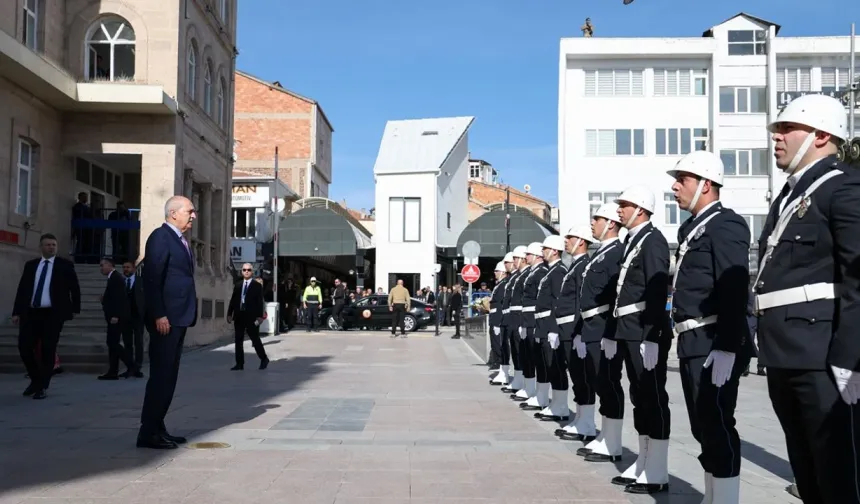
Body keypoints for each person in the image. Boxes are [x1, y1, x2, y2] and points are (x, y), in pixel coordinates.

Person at [755, 93, 860, 504]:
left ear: (819, 135)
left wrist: (850, 360)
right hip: (785, 355)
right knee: (809, 474)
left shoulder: (844, 188)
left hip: (824, 360)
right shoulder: (789, 197)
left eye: (785, 128)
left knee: (839, 477)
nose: (776, 137)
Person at [667, 151, 753, 503]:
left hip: (714, 337)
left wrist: (728, 345)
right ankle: (713, 494)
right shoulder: (691, 228)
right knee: (702, 425)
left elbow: (733, 288)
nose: (674, 187)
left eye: (682, 179)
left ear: (705, 184)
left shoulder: (726, 224)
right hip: (692, 338)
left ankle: (727, 499)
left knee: (717, 423)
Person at [593, 187, 672, 496]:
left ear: (640, 209)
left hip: (643, 331)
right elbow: (620, 294)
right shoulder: (632, 242)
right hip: (627, 329)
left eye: (625, 205)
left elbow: (656, 290)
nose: (620, 211)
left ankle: (657, 469)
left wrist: (653, 335)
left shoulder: (653, 240)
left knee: (653, 398)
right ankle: (644, 461)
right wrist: (613, 333)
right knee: (640, 398)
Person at [137, 195, 197, 450]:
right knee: (161, 376)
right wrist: (159, 314)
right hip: (166, 319)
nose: (193, 216)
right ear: (174, 213)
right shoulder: (161, 237)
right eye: (189, 211)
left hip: (178, 317)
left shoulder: (180, 240)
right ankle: (148, 433)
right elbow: (152, 279)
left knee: (169, 376)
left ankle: (158, 427)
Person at [565, 204, 623, 445]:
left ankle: (611, 441)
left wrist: (610, 332)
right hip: (590, 326)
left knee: (608, 383)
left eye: (597, 218)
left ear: (610, 223)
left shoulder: (616, 252)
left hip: (603, 326)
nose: (593, 223)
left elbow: (615, 295)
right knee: (597, 381)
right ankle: (601, 433)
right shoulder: (601, 254)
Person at [12, 233, 81, 399]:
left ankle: (42, 385)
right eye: (48, 245)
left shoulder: (64, 265)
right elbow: (23, 289)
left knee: (48, 349)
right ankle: (36, 379)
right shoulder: (31, 265)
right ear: (41, 247)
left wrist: (74, 309)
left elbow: (75, 288)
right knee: (24, 347)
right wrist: (17, 312)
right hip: (31, 313)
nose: (51, 247)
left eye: (54, 245)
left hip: (52, 314)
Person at [551, 226, 595, 436]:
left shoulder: (583, 266)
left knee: (581, 376)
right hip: (566, 327)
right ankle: (580, 419)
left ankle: (586, 423)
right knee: (576, 375)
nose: (566, 242)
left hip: (573, 328)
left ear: (582, 241)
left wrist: (580, 332)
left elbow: (581, 301)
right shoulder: (575, 266)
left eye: (570, 238)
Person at [532, 235, 570, 421]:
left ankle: (561, 405)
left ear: (554, 251)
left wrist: (554, 328)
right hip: (543, 325)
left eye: (545, 248)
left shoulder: (558, 272)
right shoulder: (551, 271)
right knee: (549, 365)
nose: (542, 252)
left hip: (550, 325)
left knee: (556, 366)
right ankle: (556, 403)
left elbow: (558, 302)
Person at [519, 242, 549, 411]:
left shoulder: (541, 272)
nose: (525, 258)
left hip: (536, 319)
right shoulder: (534, 272)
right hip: (528, 319)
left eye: (528, 254)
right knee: (529, 356)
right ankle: (536, 392)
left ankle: (542, 395)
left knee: (539, 360)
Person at [98, 257, 139, 380]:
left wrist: (115, 315)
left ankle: (131, 365)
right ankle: (113, 371)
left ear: (110, 265)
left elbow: (120, 299)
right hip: (113, 316)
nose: (101, 268)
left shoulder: (116, 278)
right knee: (112, 344)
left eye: (102, 265)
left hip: (116, 317)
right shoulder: (113, 278)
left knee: (113, 343)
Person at [227, 263, 269, 371]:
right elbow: (233, 300)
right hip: (239, 315)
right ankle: (239, 363)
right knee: (238, 340)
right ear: (241, 271)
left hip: (251, 316)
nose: (246, 271)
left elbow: (260, 302)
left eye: (249, 270)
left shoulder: (257, 286)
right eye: (244, 270)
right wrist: (229, 313)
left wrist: (260, 316)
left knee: (255, 339)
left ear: (252, 272)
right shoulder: (238, 285)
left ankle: (264, 358)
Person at [507, 246, 532, 399]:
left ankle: (527, 385)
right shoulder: (519, 275)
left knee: (525, 353)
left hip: (523, 317)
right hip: (516, 316)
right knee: (518, 351)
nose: (513, 261)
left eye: (516, 258)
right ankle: (519, 381)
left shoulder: (529, 274)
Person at [488, 260, 510, 385]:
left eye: (497, 271)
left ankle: (503, 370)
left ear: (502, 272)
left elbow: (501, 304)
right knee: (495, 344)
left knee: (499, 346)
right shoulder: (499, 285)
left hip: (498, 319)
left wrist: (498, 322)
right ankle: (501, 370)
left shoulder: (503, 285)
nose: (495, 273)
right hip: (494, 318)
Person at [122, 260, 146, 373]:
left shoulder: (141, 281)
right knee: (127, 343)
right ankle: (129, 366)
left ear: (134, 269)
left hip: (138, 316)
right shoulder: (121, 282)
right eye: (124, 267)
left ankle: (138, 366)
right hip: (125, 317)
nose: (126, 269)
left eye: (128, 267)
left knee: (139, 342)